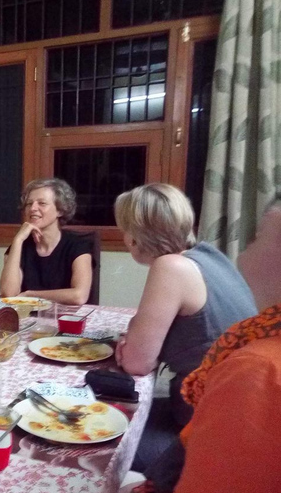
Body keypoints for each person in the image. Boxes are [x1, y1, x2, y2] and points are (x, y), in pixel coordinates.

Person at [113, 183, 257, 478]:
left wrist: (133, 342)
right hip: (238, 414)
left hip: (210, 430)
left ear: (136, 236)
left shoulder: (171, 267)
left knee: (89, 437)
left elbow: (136, 363)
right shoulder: (207, 255)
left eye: (124, 228)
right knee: (116, 409)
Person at [171, 196, 281, 492]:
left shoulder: (257, 369)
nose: (243, 254)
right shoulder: (207, 254)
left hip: (183, 419)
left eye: (259, 237)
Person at [0, 178, 94, 305]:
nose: (33, 208)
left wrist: (31, 295)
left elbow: (79, 296)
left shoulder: (78, 246)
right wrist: (18, 240)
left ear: (60, 210)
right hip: (28, 319)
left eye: (42, 203)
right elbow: (8, 293)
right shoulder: (20, 246)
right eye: (29, 203)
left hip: (65, 319)